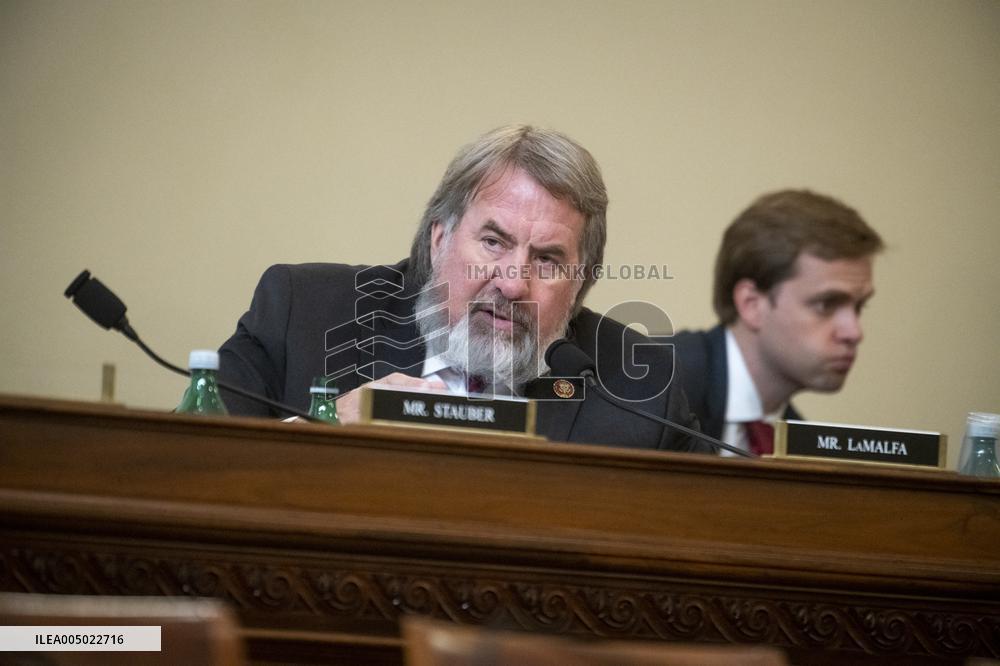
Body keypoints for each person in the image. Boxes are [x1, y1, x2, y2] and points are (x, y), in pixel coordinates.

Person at [218, 125, 708, 453]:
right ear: (438, 241)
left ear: (581, 284)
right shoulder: (304, 312)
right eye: (493, 242)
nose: (514, 283)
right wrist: (322, 429)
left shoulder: (641, 388)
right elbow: (193, 464)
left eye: (548, 260)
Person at [673, 190, 884, 455]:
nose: (854, 332)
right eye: (826, 304)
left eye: (859, 306)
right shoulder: (652, 388)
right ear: (752, 305)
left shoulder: (804, 450)